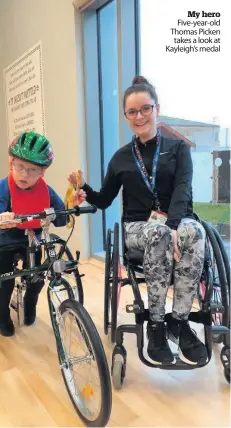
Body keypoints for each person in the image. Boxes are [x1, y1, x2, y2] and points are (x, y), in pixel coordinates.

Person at [68, 76, 207, 365]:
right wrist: (84, 190)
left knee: (196, 231)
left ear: (157, 109)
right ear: (126, 116)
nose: (139, 116)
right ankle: (156, 324)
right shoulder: (120, 158)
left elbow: (183, 188)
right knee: (158, 234)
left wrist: (173, 226)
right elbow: (105, 199)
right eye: (132, 112)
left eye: (145, 108)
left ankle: (178, 323)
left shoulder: (178, 149)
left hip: (177, 221)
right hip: (137, 228)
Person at [0, 131, 86, 337]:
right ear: (11, 163)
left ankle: (30, 306)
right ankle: (2, 316)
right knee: (3, 280)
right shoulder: (3, 188)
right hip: (6, 240)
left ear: (42, 173)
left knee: (37, 277)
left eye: (32, 170)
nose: (24, 174)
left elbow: (60, 217)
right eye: (20, 167)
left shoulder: (46, 191)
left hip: (33, 240)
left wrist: (70, 206)